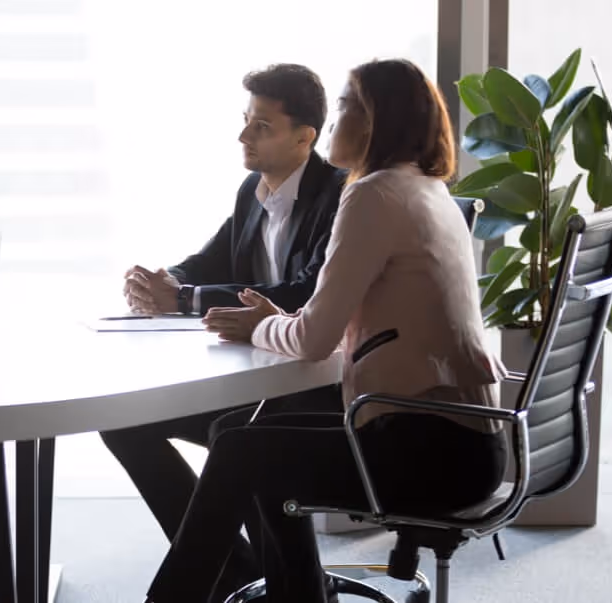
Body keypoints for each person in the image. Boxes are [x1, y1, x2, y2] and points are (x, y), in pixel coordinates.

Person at [145, 58, 509, 603]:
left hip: (428, 452)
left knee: (244, 451)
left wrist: (262, 325)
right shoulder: (424, 188)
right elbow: (335, 324)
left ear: (376, 120)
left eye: (345, 106)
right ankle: (299, 594)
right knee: (244, 439)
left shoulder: (372, 196)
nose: (334, 120)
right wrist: (273, 322)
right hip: (469, 442)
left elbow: (315, 338)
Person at [102, 63, 346, 587]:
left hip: (317, 390)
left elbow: (307, 291)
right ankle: (235, 569)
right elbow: (211, 261)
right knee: (125, 421)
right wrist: (165, 281)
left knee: (237, 435)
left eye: (262, 126)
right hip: (254, 376)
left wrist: (185, 299)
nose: (244, 136)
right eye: (245, 121)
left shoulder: (339, 197)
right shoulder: (252, 191)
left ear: (305, 137)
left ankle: (285, 582)